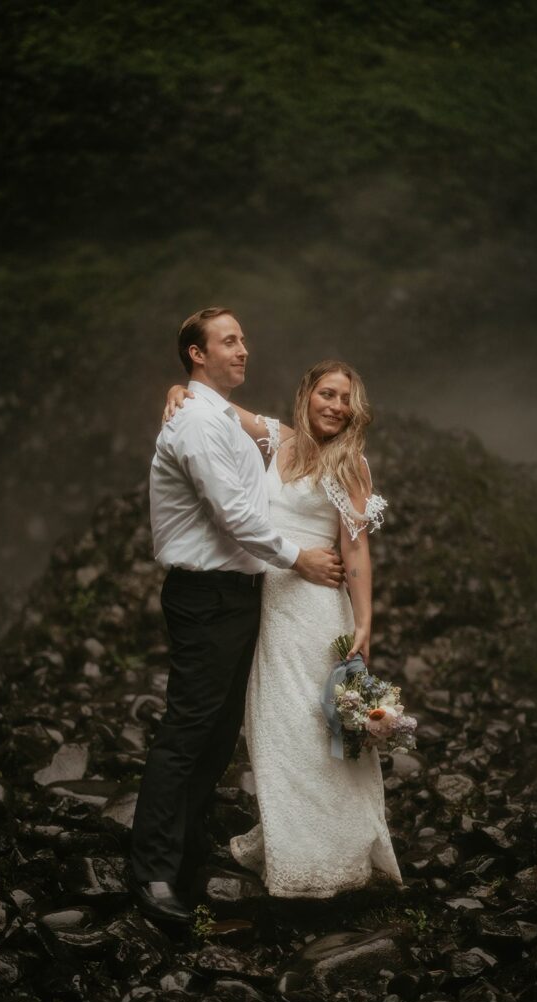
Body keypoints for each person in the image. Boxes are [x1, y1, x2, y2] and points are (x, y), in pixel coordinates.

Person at [129, 308, 345, 925]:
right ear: (198, 355)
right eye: (230, 341)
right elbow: (234, 517)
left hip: (236, 595)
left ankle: (189, 851)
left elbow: (287, 437)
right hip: (205, 595)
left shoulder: (219, 415)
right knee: (186, 733)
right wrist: (298, 558)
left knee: (218, 735)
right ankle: (151, 873)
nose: (244, 350)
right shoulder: (196, 423)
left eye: (244, 339)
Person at [164, 360, 403, 898]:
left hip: (315, 609)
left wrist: (364, 622)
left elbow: (356, 548)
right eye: (327, 393)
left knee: (315, 729)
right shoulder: (281, 439)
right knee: (273, 729)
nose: (336, 406)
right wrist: (178, 388)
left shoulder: (350, 463)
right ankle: (289, 843)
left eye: (346, 397)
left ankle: (328, 857)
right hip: (267, 604)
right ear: (307, 394)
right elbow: (217, 408)